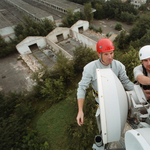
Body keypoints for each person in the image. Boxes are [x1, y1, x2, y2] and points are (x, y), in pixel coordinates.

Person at [76, 38, 134, 127]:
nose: (110, 57)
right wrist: (80, 110)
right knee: (104, 125)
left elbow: (126, 82)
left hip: (117, 99)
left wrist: (139, 91)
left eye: (111, 53)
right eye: (106, 54)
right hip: (102, 102)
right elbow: (82, 88)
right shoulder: (90, 68)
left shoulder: (118, 65)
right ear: (99, 54)